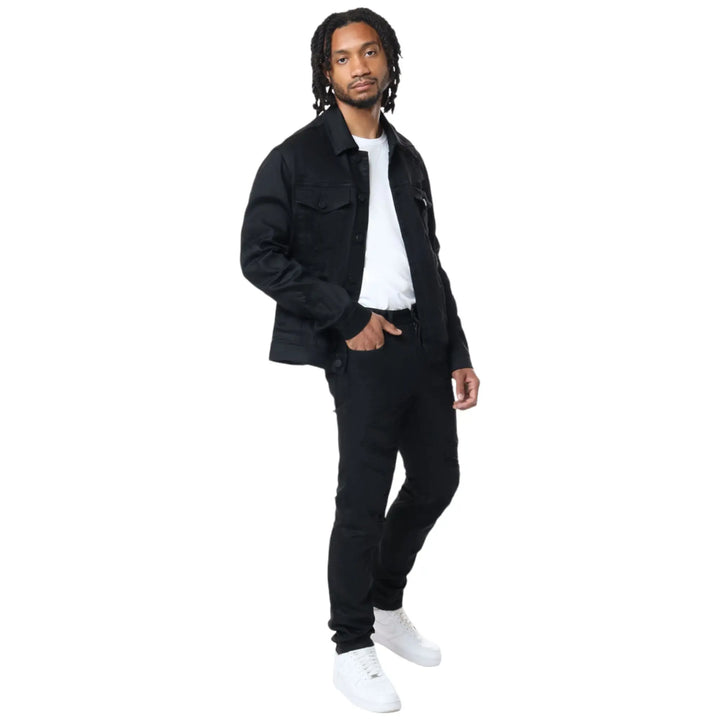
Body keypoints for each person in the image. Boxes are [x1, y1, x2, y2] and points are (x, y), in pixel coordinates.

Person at [240, 7, 480, 713]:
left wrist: (458, 349)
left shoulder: (406, 156)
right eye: (343, 58)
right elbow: (258, 255)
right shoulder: (295, 157)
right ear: (326, 72)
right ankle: (350, 648)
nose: (359, 67)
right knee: (362, 500)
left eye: (369, 52)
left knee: (438, 480)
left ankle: (384, 602)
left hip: (424, 342)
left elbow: (430, 260)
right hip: (362, 349)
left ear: (389, 61)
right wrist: (345, 318)